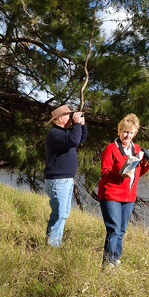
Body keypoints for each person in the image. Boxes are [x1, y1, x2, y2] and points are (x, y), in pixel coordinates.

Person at [97, 113, 149, 268]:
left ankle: (116, 260)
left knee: (121, 231)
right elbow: (104, 173)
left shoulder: (137, 149)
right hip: (111, 195)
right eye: (125, 131)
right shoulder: (110, 149)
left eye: (131, 132)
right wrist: (120, 174)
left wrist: (146, 163)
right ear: (119, 131)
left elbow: (136, 173)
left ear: (135, 133)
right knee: (113, 229)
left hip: (129, 196)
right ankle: (107, 264)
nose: (127, 135)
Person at [43, 104, 87, 247]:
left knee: (63, 214)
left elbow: (80, 138)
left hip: (65, 180)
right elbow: (74, 140)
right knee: (59, 214)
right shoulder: (55, 134)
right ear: (60, 118)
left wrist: (82, 124)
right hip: (58, 180)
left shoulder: (63, 133)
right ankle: (52, 246)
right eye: (68, 115)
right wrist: (76, 124)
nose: (70, 117)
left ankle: (54, 243)